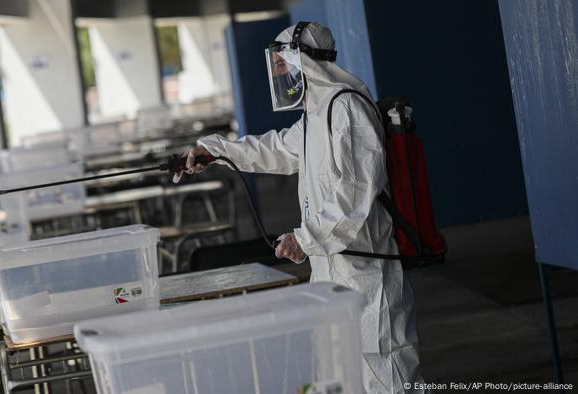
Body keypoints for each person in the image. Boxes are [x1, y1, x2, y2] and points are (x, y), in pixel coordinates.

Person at [174, 22, 426, 393]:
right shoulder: (315, 117)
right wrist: (216, 150)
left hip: (366, 273)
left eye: (282, 63)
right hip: (331, 272)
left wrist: (304, 238)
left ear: (305, 62)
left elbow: (353, 197)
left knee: (387, 375)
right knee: (345, 376)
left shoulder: (347, 109)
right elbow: (274, 149)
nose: (277, 72)